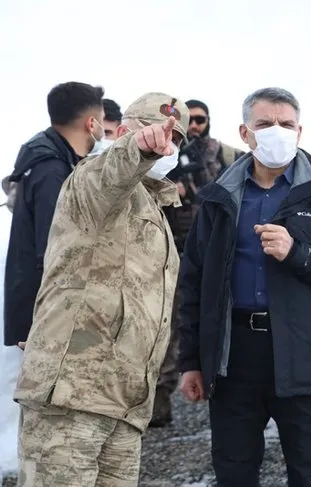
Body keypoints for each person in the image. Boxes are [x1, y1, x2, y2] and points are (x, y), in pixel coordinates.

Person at [177, 87, 311, 486]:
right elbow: (195, 283)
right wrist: (192, 361)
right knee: (234, 471)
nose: (276, 132)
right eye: (265, 124)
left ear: (300, 132)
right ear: (245, 133)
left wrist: (297, 251)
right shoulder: (218, 199)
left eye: (286, 124)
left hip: (306, 356)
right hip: (236, 359)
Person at [13, 92, 189, 485]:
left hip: (124, 407)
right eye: (156, 132)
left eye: (176, 138)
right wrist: (137, 150)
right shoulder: (91, 181)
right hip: (74, 397)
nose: (168, 144)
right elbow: (112, 172)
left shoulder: (155, 208)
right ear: (123, 132)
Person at [150, 99, 244, 428]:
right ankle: (160, 403)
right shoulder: (163, 153)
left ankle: (235, 393)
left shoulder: (225, 154)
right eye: (189, 120)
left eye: (200, 120)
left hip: (214, 252)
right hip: (171, 252)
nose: (194, 126)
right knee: (171, 327)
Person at [3, 81, 105, 350]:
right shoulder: (52, 170)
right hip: (42, 315)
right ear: (91, 123)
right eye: (103, 122)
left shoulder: (50, 159)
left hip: (39, 309)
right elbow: (54, 248)